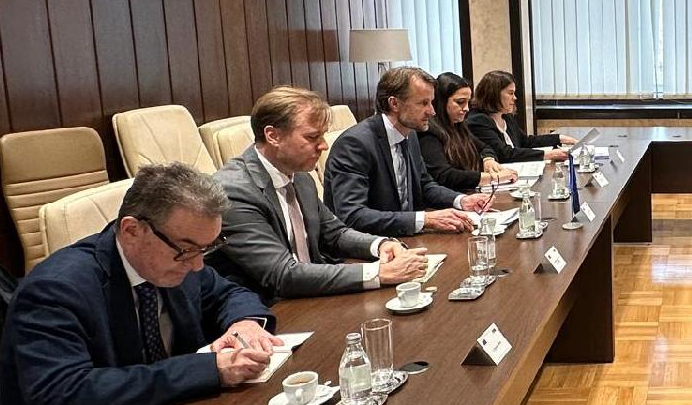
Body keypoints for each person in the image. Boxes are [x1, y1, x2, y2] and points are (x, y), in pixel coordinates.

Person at [0, 164, 279, 405]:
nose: (197, 265)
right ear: (132, 230)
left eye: (207, 249)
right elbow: (64, 392)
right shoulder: (54, 289)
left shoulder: (175, 256)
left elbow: (229, 293)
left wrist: (244, 323)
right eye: (188, 250)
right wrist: (208, 370)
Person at [210, 86, 430, 303]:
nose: (324, 146)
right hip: (269, 309)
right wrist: (378, 273)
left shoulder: (300, 176)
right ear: (273, 136)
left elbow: (335, 234)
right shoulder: (234, 191)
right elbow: (282, 274)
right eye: (312, 137)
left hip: (313, 295)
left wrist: (380, 245)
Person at [323, 66, 494, 238]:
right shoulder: (355, 144)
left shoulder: (409, 134)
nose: (432, 111)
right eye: (423, 103)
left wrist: (461, 200)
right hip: (370, 245)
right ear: (394, 103)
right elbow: (352, 215)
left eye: (431, 102)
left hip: (404, 238)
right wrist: (424, 219)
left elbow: (424, 186)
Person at [419, 72, 516, 190]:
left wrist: (488, 159)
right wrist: (493, 177)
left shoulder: (459, 126)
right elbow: (445, 175)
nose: (466, 108)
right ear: (442, 101)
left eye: (468, 102)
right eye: (460, 102)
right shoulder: (429, 132)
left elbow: (485, 148)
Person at [466, 70, 577, 164]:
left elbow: (525, 141)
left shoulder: (506, 117)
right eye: (510, 93)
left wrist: (559, 138)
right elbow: (505, 154)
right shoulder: (478, 121)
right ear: (493, 94)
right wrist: (548, 154)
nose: (514, 98)